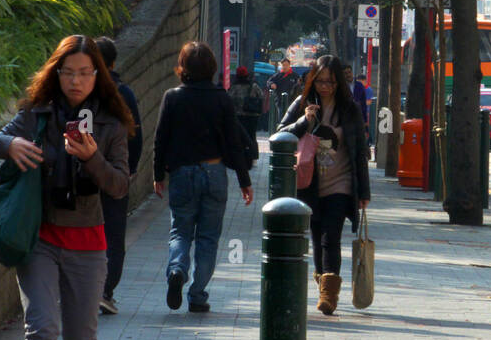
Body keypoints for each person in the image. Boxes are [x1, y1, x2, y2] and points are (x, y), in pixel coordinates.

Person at [0, 34, 134, 340]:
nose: (75, 80)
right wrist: (8, 144)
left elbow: (119, 186)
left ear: (96, 75)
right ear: (56, 73)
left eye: (84, 72)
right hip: (41, 238)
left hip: (88, 242)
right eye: (68, 72)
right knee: (42, 331)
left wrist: (92, 158)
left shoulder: (110, 123)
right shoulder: (37, 115)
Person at [153, 41, 254, 314]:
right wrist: (245, 180)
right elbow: (233, 141)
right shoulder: (221, 98)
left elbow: (160, 139)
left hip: (182, 173)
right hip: (214, 171)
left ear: (182, 67)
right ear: (211, 67)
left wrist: (157, 174)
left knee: (180, 231)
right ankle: (197, 296)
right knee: (208, 237)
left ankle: (177, 270)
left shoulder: (172, 97)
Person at [277, 55, 370, 315]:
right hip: (309, 183)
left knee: (332, 236)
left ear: (339, 82)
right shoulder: (302, 103)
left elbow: (359, 151)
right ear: (313, 80)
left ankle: (329, 294)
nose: (325, 86)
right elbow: (279, 133)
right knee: (317, 237)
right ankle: (323, 280)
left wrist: (364, 191)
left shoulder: (349, 109)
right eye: (320, 81)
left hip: (341, 183)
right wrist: (303, 122)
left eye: (330, 81)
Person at [94, 37, 142, 316]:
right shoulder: (124, 93)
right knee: (113, 234)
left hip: (84, 172)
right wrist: (131, 168)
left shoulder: (80, 92)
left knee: (84, 231)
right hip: (114, 173)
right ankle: (105, 290)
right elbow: (135, 134)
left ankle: (84, 289)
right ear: (113, 62)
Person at [228, 66, 263, 166]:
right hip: (252, 115)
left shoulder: (233, 87)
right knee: (252, 136)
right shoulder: (253, 86)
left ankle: (240, 157)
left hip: (238, 116)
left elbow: (229, 100)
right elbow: (261, 96)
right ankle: (254, 158)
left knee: (238, 136)